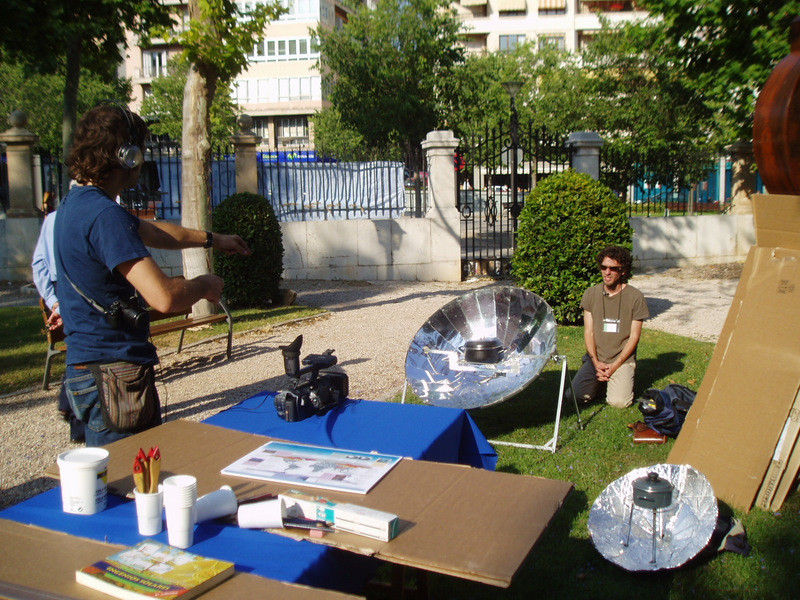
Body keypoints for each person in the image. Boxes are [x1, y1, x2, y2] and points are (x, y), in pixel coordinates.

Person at [54, 104, 251, 447]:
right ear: (126, 156)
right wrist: (206, 285)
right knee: (132, 483)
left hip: (87, 370)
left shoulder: (76, 205)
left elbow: (156, 232)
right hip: (114, 377)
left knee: (109, 484)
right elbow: (164, 297)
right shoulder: (104, 216)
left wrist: (214, 240)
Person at [32, 199, 86, 442]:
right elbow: (40, 264)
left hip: (68, 288)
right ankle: (74, 414)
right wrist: (55, 301)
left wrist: (54, 300)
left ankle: (70, 406)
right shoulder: (57, 219)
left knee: (80, 349)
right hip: (73, 287)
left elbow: (39, 264)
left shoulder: (54, 218)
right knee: (81, 351)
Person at [570, 245, 650, 408]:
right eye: (604, 267)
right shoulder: (591, 294)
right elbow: (589, 332)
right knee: (575, 396)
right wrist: (595, 361)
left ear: (623, 271)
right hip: (596, 359)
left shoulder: (636, 297)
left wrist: (615, 365)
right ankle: (599, 380)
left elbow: (634, 337)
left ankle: (615, 378)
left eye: (613, 268)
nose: (607, 272)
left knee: (619, 402)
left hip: (621, 360)